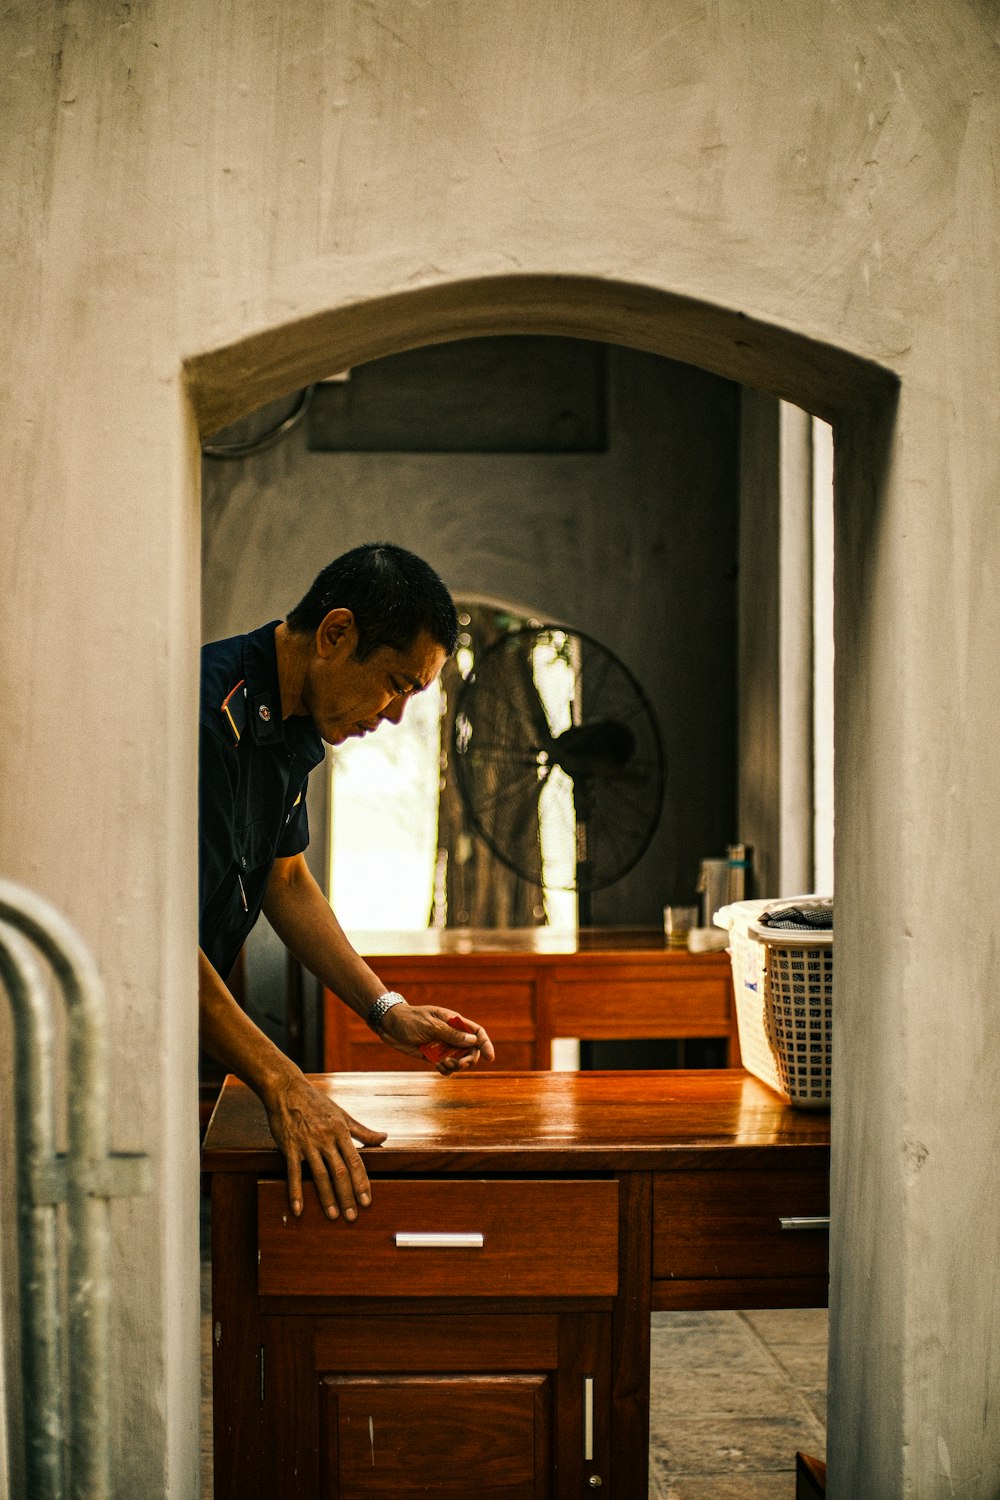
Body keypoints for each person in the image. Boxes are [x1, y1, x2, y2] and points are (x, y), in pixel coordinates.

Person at [198, 542, 495, 1222]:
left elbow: (287, 877)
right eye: (397, 682)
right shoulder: (208, 718)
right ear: (336, 634)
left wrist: (387, 1010)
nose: (394, 714)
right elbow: (158, 949)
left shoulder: (294, 719)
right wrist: (285, 1085)